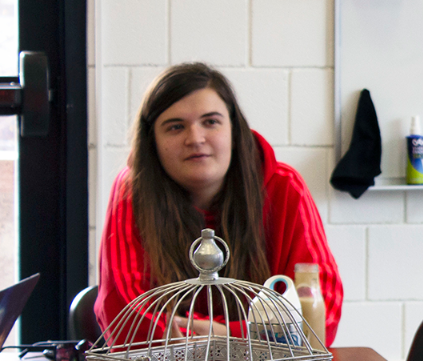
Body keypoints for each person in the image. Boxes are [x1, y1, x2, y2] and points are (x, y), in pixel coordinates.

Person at [94, 62, 342, 346]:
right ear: (152, 142)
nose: (195, 139)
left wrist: (224, 335)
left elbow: (322, 316)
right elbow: (126, 319)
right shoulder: (132, 190)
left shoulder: (285, 186)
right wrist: (253, 334)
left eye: (211, 122)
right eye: (175, 127)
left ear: (234, 131)